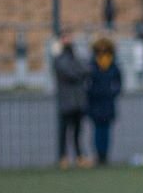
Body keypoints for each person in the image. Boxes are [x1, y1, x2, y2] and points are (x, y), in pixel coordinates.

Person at [52, 31, 90, 169]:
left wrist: (78, 71)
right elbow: (70, 72)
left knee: (78, 131)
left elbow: (87, 69)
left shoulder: (76, 57)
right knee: (64, 131)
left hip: (78, 101)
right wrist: (78, 72)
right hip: (66, 101)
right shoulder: (59, 59)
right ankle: (63, 157)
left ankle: (80, 157)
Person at [86, 37, 122, 166]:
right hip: (95, 102)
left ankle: (105, 155)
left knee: (106, 131)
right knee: (97, 130)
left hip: (107, 102)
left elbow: (118, 83)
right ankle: (99, 155)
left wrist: (112, 92)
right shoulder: (92, 65)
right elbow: (87, 84)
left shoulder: (113, 66)